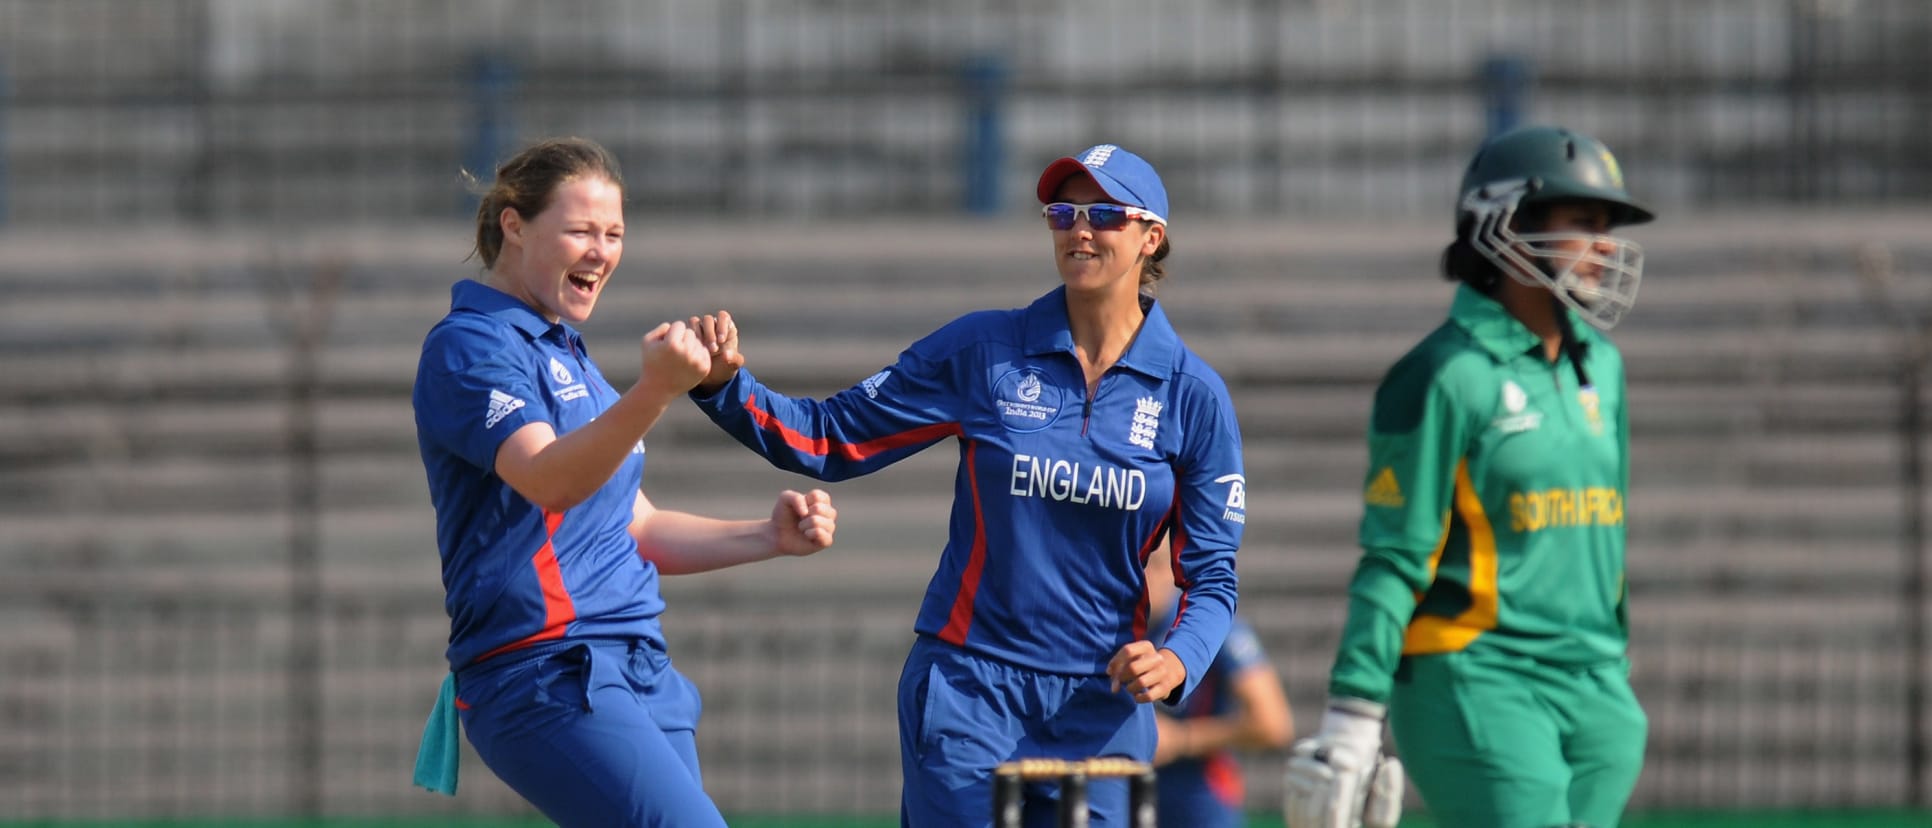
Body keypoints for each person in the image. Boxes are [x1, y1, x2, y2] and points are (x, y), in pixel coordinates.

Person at [684, 143, 1246, 827]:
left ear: (1152, 236)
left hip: (1103, 709)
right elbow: (831, 438)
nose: (1080, 229)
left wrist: (1176, 660)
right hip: (968, 689)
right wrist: (724, 386)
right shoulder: (985, 350)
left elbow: (1212, 577)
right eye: (1063, 212)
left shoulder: (1195, 397)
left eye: (1104, 213)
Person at [409, 136, 839, 828]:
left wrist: (768, 536)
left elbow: (636, 528)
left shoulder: (572, 359)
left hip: (639, 669)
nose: (601, 250)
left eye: (614, 234)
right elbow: (548, 480)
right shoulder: (470, 346)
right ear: (513, 225)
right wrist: (655, 391)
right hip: (548, 671)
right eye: (580, 230)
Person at [1284, 123, 1654, 828]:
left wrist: (1614, 672)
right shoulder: (1442, 376)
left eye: (1610, 226)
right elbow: (1395, 552)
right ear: (1505, 224)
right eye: (1584, 222)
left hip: (1597, 686)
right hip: (1478, 675)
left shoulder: (1603, 367)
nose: (1607, 245)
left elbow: (1608, 539)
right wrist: (1354, 709)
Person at [1143, 547, 1293, 828]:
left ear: (1171, 571)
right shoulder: (1112, 626)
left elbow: (1274, 724)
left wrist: (1180, 740)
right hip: (1128, 798)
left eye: (1152, 567)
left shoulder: (1204, 627)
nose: (1142, 579)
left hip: (1200, 801)